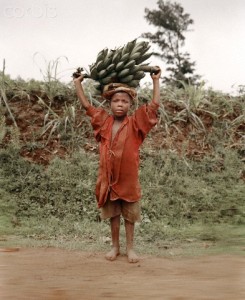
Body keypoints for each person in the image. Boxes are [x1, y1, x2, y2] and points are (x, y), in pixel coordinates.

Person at [73, 67, 161, 263]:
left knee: (129, 216)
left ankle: (130, 248)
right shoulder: (104, 121)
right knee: (113, 214)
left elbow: (154, 104)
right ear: (109, 103)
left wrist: (155, 80)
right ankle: (115, 247)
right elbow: (87, 106)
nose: (120, 104)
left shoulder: (136, 123)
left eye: (124, 101)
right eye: (116, 101)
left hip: (128, 179)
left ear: (130, 104)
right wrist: (78, 83)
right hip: (109, 177)